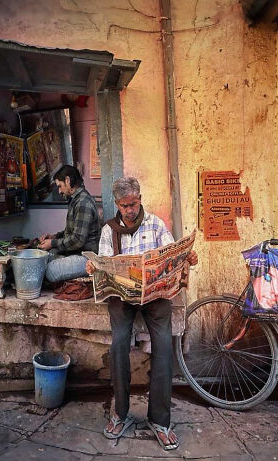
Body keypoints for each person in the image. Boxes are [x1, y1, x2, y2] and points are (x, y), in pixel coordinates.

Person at [85, 176, 197, 451]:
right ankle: (120, 413)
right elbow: (102, 264)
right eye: (124, 206)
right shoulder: (107, 232)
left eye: (133, 204)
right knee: (119, 344)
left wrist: (187, 259)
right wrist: (95, 269)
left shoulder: (156, 225)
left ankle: (160, 420)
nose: (129, 210)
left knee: (164, 346)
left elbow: (172, 257)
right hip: (122, 298)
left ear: (139, 199)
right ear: (117, 204)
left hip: (155, 297)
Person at [38, 165, 101, 283]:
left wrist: (52, 243)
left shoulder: (83, 202)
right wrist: (54, 237)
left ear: (68, 180)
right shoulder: (76, 199)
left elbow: (77, 240)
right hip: (76, 252)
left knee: (50, 271)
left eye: (60, 186)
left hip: (87, 258)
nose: (59, 191)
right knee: (44, 259)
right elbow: (72, 231)